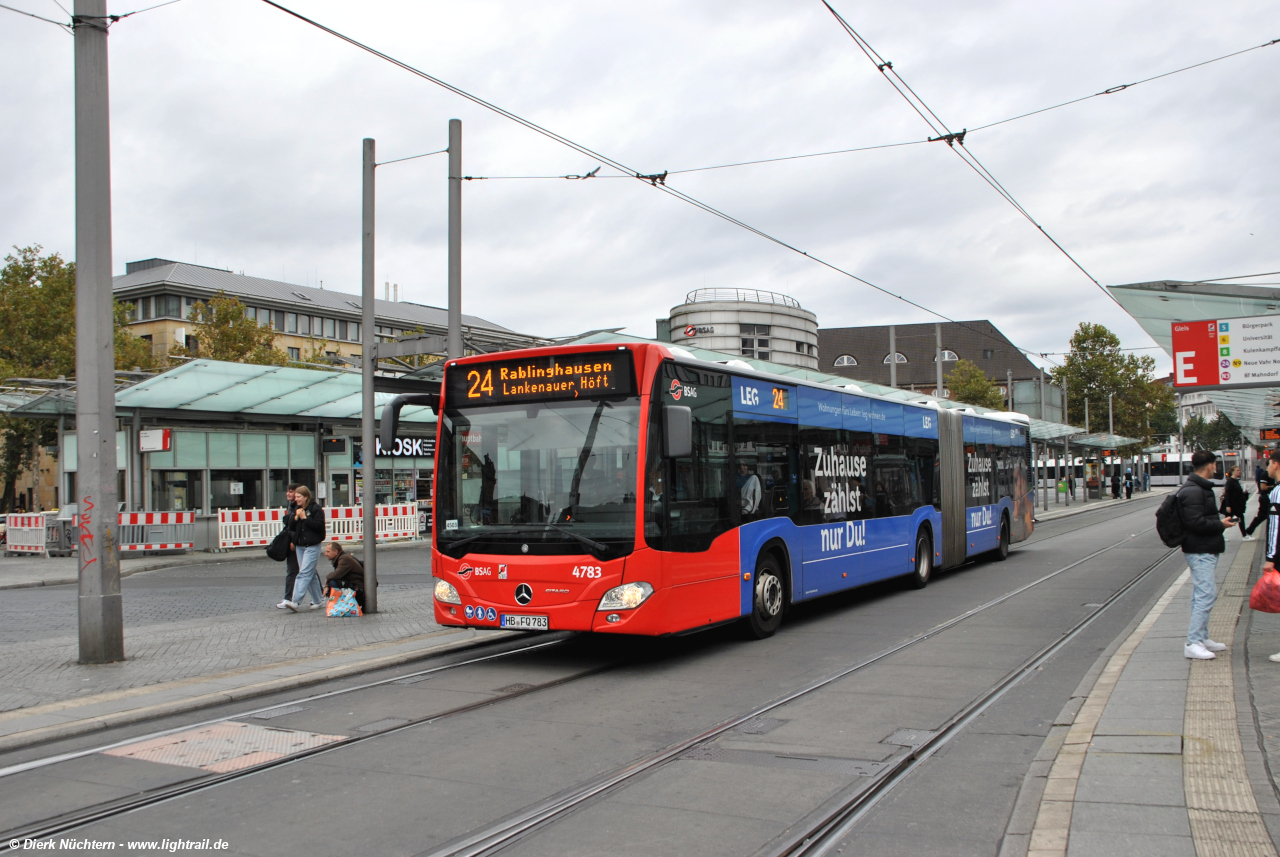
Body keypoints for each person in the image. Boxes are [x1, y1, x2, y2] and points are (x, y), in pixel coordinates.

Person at [1178, 450, 1235, 660]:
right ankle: (1193, 642)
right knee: (1205, 594)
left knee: (1201, 594)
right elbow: (1194, 522)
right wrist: (1220, 524)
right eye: (1215, 465)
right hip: (1200, 549)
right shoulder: (1194, 491)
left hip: (1204, 547)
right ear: (1210, 465)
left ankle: (1201, 637)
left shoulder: (1199, 488)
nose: (1217, 469)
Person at [282, 485, 327, 612]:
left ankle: (295, 600)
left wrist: (305, 518)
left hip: (312, 546)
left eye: (298, 497)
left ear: (305, 497)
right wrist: (296, 518)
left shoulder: (316, 509)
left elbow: (319, 527)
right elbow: (290, 526)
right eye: (296, 497)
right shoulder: (296, 508)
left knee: (304, 573)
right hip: (300, 546)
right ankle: (318, 599)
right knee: (310, 573)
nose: (296, 499)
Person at [275, 484, 301, 610]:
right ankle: (288, 597)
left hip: (297, 543)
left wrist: (294, 542)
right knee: (302, 570)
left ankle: (288, 598)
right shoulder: (290, 506)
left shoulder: (298, 507)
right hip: (293, 542)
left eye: (291, 492)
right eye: (287, 491)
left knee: (299, 570)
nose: (288, 494)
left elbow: (297, 527)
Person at [321, 541, 366, 612]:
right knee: (332, 582)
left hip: (358, 589)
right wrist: (327, 584)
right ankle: (340, 604)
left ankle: (340, 604)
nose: (325, 554)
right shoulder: (341, 558)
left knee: (333, 582)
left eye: (328, 551)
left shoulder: (344, 559)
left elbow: (336, 575)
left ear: (335, 552)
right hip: (355, 585)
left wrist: (327, 579)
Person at [1247, 469, 1274, 542]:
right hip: (1265, 499)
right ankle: (1249, 531)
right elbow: (1263, 487)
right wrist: (1273, 486)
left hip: (1271, 498)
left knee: (1271, 517)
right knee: (1261, 516)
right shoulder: (1265, 474)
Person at [1222, 465, 1249, 538]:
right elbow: (1227, 494)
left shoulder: (1237, 481)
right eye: (1237, 470)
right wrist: (1228, 505)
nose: (1239, 472)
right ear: (1233, 472)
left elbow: (1238, 493)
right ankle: (1244, 536)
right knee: (1238, 518)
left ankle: (1220, 535)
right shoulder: (1230, 481)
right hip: (1232, 504)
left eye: (1240, 470)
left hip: (1237, 504)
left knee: (1230, 519)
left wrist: (1245, 493)